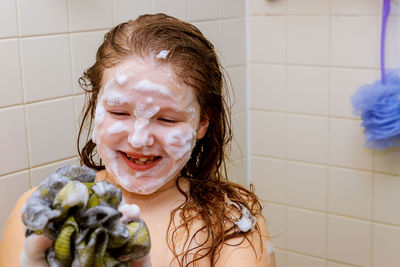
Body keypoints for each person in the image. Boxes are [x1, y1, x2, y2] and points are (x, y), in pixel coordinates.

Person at [0, 13, 275, 266]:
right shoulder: (42, 211)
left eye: (167, 119)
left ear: (203, 121)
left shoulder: (231, 221)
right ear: (96, 108)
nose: (140, 139)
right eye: (120, 112)